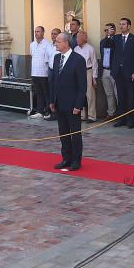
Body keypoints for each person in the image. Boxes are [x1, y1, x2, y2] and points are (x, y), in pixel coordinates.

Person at [49, 32, 86, 171]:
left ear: (66, 43)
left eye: (58, 41)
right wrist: (52, 100)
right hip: (59, 102)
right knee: (63, 132)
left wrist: (78, 105)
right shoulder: (56, 58)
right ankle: (66, 158)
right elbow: (53, 81)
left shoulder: (78, 60)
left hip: (72, 104)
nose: (55, 43)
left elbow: (82, 86)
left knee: (75, 133)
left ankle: (76, 160)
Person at [112, 18, 134, 128]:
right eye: (120, 24)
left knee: (131, 96)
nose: (121, 26)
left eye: (123, 24)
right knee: (121, 96)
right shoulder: (116, 38)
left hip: (130, 72)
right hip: (118, 72)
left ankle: (131, 120)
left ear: (129, 26)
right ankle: (121, 119)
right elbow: (106, 46)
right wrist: (108, 35)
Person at [28, 26, 53, 120]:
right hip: (34, 72)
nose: (36, 33)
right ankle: (39, 111)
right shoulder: (32, 44)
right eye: (35, 31)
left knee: (46, 93)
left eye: (38, 31)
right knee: (38, 93)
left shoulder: (48, 44)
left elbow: (50, 58)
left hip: (44, 73)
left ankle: (47, 111)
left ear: (43, 33)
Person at [73, 30, 98, 122]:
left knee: (90, 94)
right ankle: (82, 115)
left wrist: (94, 78)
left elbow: (94, 63)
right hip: (78, 73)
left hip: (88, 71)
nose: (77, 40)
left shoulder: (90, 48)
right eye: (77, 38)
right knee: (80, 93)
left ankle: (92, 116)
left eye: (79, 38)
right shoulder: (75, 49)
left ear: (84, 38)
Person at [99, 23, 118, 118]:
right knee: (109, 93)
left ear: (114, 30)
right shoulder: (103, 41)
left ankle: (121, 114)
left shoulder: (117, 40)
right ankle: (111, 113)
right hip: (105, 69)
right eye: (105, 30)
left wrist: (111, 36)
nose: (106, 32)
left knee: (117, 93)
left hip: (114, 70)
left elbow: (113, 45)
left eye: (108, 30)